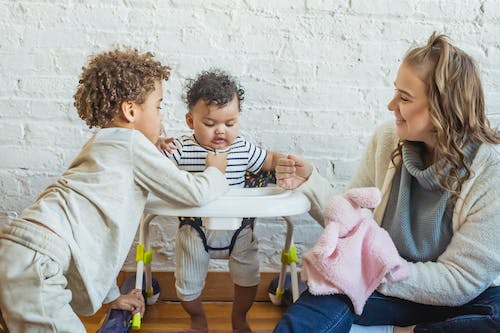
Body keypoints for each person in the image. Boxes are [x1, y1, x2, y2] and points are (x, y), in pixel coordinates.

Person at [273, 32, 500, 332]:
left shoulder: (490, 172)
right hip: (384, 285)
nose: (391, 104)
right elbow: (351, 222)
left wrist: (373, 267)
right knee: (323, 295)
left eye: (404, 97)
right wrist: (310, 182)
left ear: (444, 110)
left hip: (454, 295)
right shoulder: (387, 140)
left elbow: (461, 279)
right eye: (396, 92)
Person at [0, 49, 229, 333]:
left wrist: (112, 298)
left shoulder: (102, 144)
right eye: (158, 107)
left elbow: (97, 240)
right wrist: (216, 170)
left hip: (21, 249)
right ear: (131, 110)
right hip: (38, 261)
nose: (161, 117)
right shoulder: (132, 144)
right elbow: (193, 193)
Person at [161, 69, 284, 332]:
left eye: (230, 124)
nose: (221, 131)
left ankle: (239, 318)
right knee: (186, 284)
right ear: (190, 120)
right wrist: (159, 145)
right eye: (209, 123)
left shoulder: (242, 148)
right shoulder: (182, 148)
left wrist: (284, 163)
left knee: (249, 278)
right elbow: (158, 170)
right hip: (195, 228)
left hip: (238, 228)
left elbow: (269, 161)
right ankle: (197, 319)